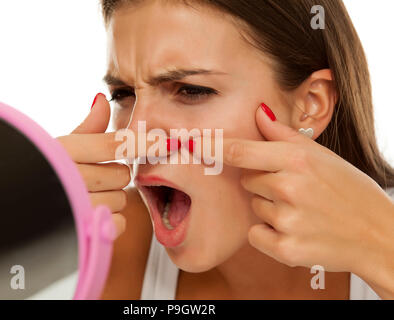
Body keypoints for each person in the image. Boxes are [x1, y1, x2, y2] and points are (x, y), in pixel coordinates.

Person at [57, 0, 394, 299]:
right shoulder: (106, 239)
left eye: (191, 90)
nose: (137, 138)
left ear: (310, 104)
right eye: (123, 94)